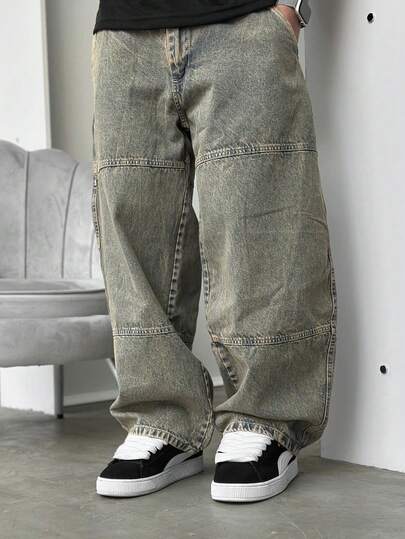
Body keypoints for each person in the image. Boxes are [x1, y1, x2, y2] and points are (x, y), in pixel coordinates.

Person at [91, 0, 337, 503]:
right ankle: (162, 418)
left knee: (257, 217)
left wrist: (292, 6)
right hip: (123, 27)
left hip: (244, 17)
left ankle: (265, 416)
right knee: (131, 223)